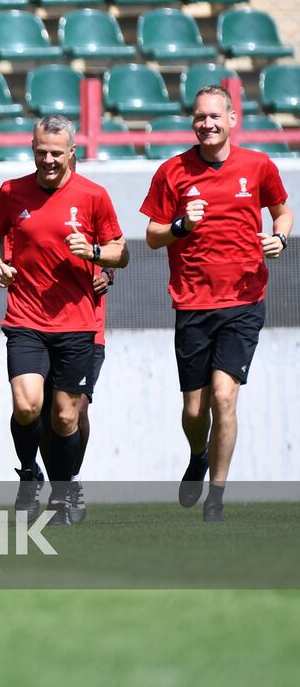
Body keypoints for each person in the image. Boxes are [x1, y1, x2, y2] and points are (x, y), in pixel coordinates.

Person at [141, 86, 291, 522]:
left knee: (225, 397)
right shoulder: (172, 172)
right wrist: (181, 225)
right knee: (194, 409)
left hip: (244, 300)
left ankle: (216, 496)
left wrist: (278, 237)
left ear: (231, 119)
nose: (206, 123)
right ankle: (198, 451)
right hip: (192, 302)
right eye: (199, 117)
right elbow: (152, 236)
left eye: (214, 116)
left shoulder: (259, 166)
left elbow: (282, 212)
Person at [0, 115, 127, 526]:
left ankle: (64, 495)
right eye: (41, 151)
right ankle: (29, 474)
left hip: (77, 324)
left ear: (71, 153)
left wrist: (96, 254)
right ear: (32, 149)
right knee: (27, 405)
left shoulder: (93, 195)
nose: (48, 160)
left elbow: (121, 252)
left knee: (66, 416)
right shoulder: (11, 191)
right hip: (25, 318)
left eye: (56, 153)